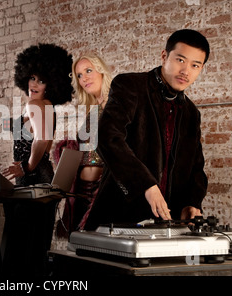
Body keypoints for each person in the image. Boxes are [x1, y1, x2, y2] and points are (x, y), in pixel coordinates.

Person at [84, 29, 210, 230]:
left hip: (168, 224)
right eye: (180, 60)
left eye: (195, 65)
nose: (186, 71)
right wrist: (146, 185)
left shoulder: (191, 112)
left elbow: (196, 166)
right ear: (164, 56)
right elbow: (106, 137)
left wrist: (192, 203)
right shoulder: (130, 85)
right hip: (118, 217)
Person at [2, 43, 73, 276]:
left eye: (41, 80)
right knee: (37, 239)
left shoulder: (35, 105)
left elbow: (42, 140)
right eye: (31, 78)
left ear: (51, 83)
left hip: (34, 176)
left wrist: (27, 165)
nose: (34, 84)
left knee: (22, 239)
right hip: (44, 176)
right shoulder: (47, 106)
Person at [55, 54, 112, 237]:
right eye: (79, 75)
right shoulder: (92, 108)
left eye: (88, 71)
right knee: (79, 245)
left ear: (101, 71)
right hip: (81, 191)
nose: (84, 78)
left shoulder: (115, 102)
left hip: (102, 189)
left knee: (99, 244)